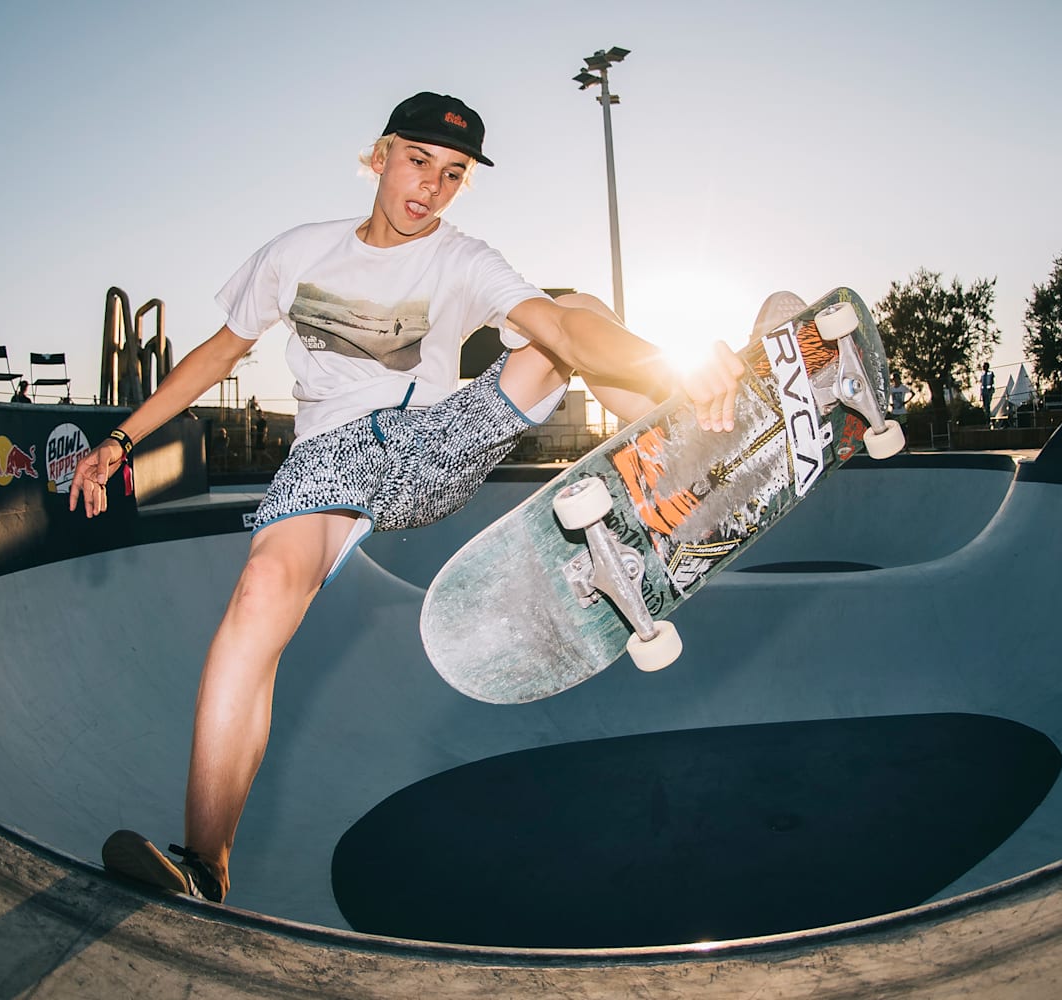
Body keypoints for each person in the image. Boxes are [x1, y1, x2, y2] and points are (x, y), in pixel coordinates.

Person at [69, 91, 745, 903]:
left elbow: (559, 336)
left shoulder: (463, 259)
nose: (431, 186)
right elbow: (217, 355)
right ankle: (203, 864)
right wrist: (120, 440)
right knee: (258, 599)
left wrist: (669, 362)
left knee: (571, 310)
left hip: (436, 440)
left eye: (453, 174)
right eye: (419, 162)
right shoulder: (296, 255)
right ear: (381, 154)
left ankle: (688, 422)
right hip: (327, 461)